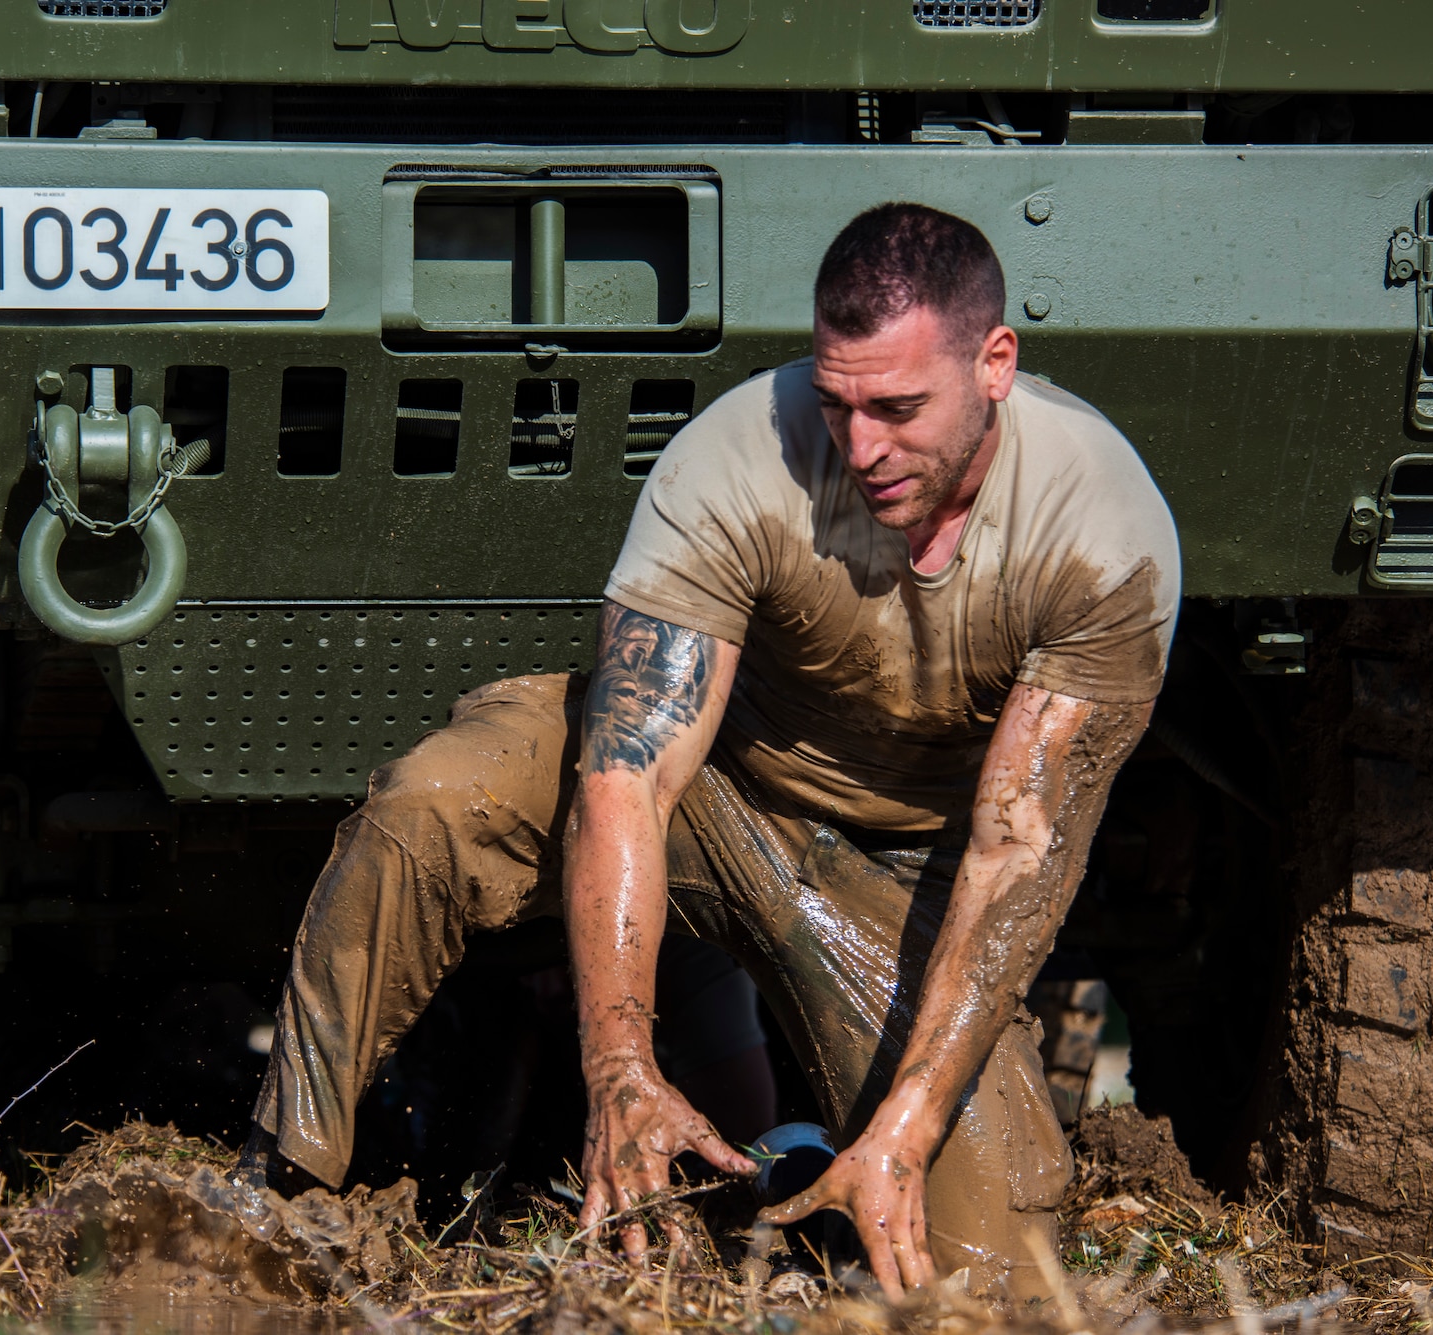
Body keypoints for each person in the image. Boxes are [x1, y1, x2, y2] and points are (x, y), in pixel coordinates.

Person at [238, 202, 1179, 1298]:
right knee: (435, 804)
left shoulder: (1100, 531)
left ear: (995, 364)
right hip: (713, 797)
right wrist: (620, 1069)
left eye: (898, 408)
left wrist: (906, 1130)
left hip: (906, 880)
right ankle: (277, 1190)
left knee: (984, 1266)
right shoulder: (739, 454)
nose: (861, 447)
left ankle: (823, 1182)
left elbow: (1016, 851)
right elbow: (628, 770)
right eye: (836, 403)